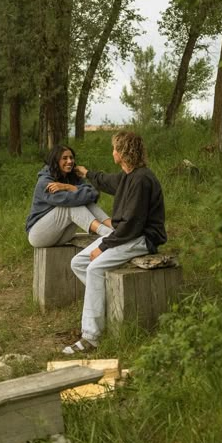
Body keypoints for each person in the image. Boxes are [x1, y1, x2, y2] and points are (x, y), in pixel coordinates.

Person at [62, 131, 167, 354]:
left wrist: (103, 246)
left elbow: (132, 225)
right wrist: (87, 173)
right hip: (126, 233)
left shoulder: (142, 180)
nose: (112, 152)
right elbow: (108, 181)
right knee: (79, 263)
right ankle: (106, 310)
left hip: (142, 238)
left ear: (121, 153)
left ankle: (91, 337)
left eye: (114, 149)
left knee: (95, 267)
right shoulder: (128, 175)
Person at [26, 144, 113, 248]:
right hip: (39, 235)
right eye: (64, 158)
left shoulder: (71, 177)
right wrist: (76, 190)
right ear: (55, 161)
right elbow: (69, 200)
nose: (70, 161)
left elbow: (94, 192)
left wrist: (68, 187)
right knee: (70, 207)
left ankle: (116, 228)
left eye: (71, 158)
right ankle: (107, 233)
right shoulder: (45, 182)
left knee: (85, 201)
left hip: (61, 235)